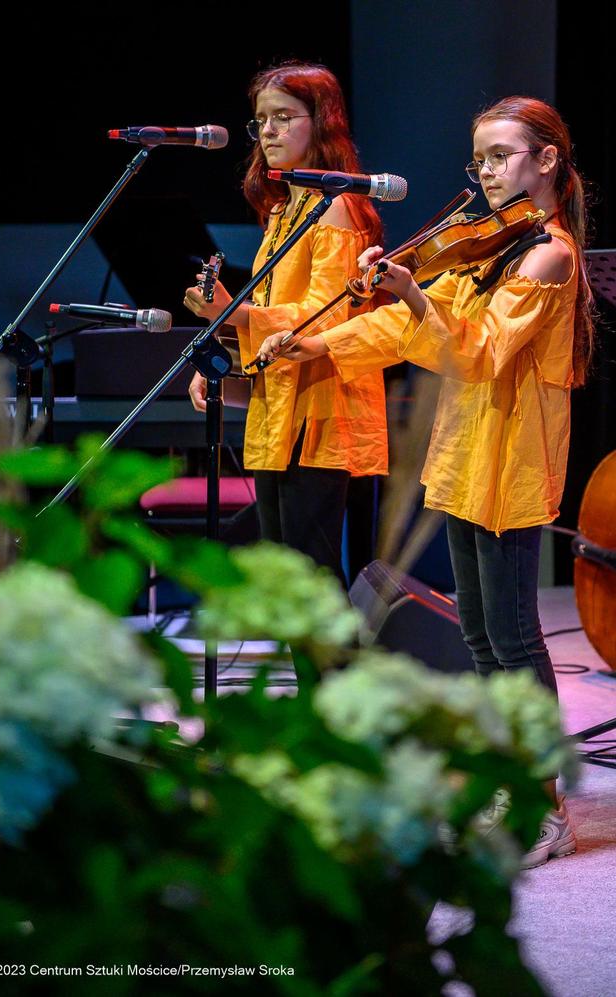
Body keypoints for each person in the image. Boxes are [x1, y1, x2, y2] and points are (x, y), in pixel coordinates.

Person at [256, 96, 594, 867]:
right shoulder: (484, 248)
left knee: (514, 637)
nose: (486, 171)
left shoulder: (549, 253)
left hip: (511, 465)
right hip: (463, 457)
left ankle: (547, 806)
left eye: (502, 156)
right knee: (477, 635)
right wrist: (316, 345)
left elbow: (476, 352)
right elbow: (400, 331)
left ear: (546, 160)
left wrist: (410, 290)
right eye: (478, 159)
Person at [183, 62, 389, 590]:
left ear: (320, 123)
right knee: (289, 580)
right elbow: (272, 308)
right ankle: (317, 677)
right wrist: (221, 359)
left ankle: (340, 677)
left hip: (322, 413)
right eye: (260, 122)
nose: (268, 132)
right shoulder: (283, 211)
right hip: (279, 409)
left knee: (312, 580)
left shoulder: (338, 207)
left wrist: (231, 312)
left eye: (282, 117)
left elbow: (325, 317)